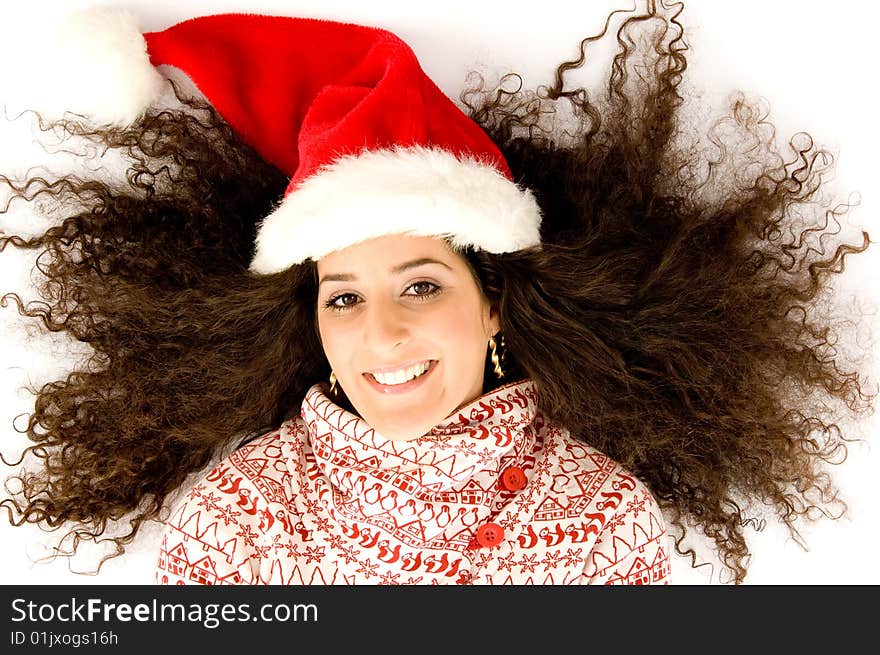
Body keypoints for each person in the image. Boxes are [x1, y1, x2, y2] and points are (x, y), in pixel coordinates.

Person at [0, 1, 873, 585]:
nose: (379, 334)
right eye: (341, 296)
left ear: (495, 302)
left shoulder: (603, 519)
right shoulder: (237, 520)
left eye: (420, 283)